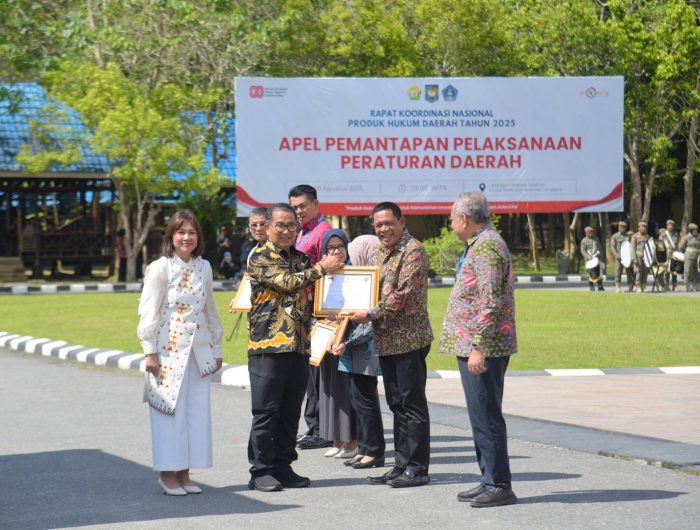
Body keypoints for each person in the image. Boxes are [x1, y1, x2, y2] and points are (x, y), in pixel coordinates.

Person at [246, 203, 344, 492]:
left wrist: (331, 310)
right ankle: (260, 470)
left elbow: (308, 297)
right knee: (266, 412)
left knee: (290, 412)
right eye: (280, 225)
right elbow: (287, 283)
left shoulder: (301, 259)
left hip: (300, 346)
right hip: (268, 346)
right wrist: (321, 268)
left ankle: (283, 466)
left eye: (292, 226)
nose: (287, 231)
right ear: (268, 227)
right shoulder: (260, 257)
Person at [137, 209, 224, 496]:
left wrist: (217, 346)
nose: (187, 237)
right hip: (167, 352)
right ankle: (167, 473)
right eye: (181, 232)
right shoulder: (160, 268)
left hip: (198, 351)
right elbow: (148, 311)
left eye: (192, 232)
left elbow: (210, 309)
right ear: (171, 236)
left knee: (195, 414)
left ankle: (185, 473)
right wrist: (150, 352)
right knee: (168, 412)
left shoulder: (204, 267)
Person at [440, 192, 518, 508]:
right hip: (476, 344)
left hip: (485, 347)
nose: (451, 225)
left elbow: (490, 301)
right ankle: (489, 479)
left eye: (452, 219)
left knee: (486, 415)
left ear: (464, 219)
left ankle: (499, 484)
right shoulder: (480, 243)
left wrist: (478, 347)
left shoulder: (486, 246)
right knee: (479, 415)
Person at [351, 202, 433, 489]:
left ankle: (417, 468)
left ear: (402, 221)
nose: (383, 229)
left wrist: (367, 313)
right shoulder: (377, 251)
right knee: (396, 404)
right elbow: (368, 288)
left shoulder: (414, 251)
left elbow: (401, 296)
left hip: (409, 339)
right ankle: (401, 465)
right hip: (386, 340)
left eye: (389, 223)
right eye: (378, 225)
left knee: (412, 404)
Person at [331, 234, 385, 470]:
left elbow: (369, 324)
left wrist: (347, 342)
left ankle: (374, 450)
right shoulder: (354, 279)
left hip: (363, 350)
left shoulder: (372, 282)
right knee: (356, 398)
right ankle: (364, 448)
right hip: (350, 348)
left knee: (365, 399)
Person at [289, 184, 334, 451]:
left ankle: (321, 429)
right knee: (310, 373)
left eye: (303, 206)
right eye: (295, 207)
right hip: (305, 312)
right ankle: (314, 426)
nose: (299, 211)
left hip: (320, 313)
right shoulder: (302, 232)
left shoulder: (324, 232)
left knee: (318, 374)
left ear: (316, 204)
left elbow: (331, 272)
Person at [317, 229, 358, 460]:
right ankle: (336, 438)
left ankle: (352, 440)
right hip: (326, 335)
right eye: (330, 248)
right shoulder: (321, 275)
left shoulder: (356, 272)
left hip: (348, 336)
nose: (335, 252)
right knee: (329, 387)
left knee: (345, 388)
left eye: (340, 247)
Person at [631, 221, 654, 293]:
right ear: (639, 228)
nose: (644, 228)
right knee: (639, 272)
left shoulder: (648, 237)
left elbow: (651, 247)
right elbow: (632, 248)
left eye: (645, 227)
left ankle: (644, 285)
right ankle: (638, 286)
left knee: (645, 271)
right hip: (638, 257)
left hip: (646, 257)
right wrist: (634, 258)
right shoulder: (635, 237)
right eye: (642, 227)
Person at [610, 221, 633, 293]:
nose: (623, 228)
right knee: (618, 272)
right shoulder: (615, 236)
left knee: (629, 272)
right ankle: (618, 286)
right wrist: (617, 255)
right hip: (619, 257)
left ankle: (630, 286)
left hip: (627, 257)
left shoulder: (628, 236)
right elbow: (612, 247)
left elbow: (631, 246)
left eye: (624, 227)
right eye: (622, 227)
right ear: (619, 227)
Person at [580, 226, 604, 291]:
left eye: (592, 232)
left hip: (596, 258)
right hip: (589, 260)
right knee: (589, 273)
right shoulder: (584, 241)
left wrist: (600, 256)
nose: (592, 233)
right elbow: (582, 250)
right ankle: (591, 286)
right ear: (586, 233)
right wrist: (587, 256)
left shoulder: (596, 239)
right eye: (590, 232)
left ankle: (600, 286)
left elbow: (599, 248)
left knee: (599, 272)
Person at [679, 222, 700, 291]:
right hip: (689, 256)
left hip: (697, 257)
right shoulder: (686, 237)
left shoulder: (699, 237)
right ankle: (688, 284)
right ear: (690, 231)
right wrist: (685, 252)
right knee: (688, 271)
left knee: (697, 272)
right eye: (693, 230)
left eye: (696, 230)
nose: (695, 231)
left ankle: (697, 285)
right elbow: (681, 247)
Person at [663, 220, 680, 291]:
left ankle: (674, 285)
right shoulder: (664, 234)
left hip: (674, 252)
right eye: (670, 225)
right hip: (667, 253)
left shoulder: (676, 234)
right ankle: (666, 285)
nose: (671, 226)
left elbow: (677, 243)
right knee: (666, 269)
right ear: (667, 226)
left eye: (672, 225)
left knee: (674, 270)